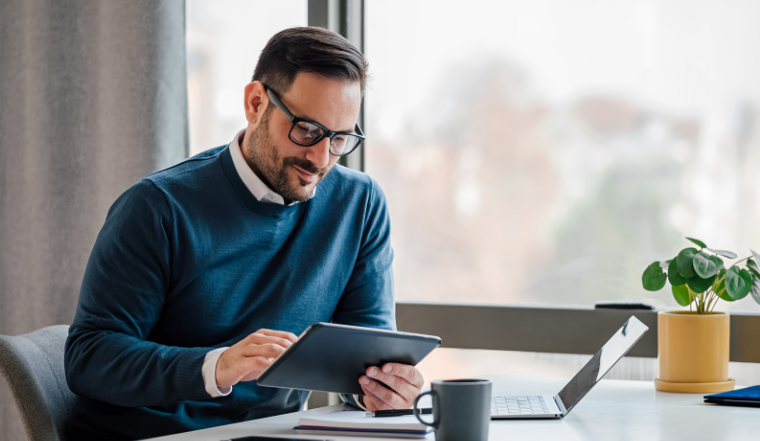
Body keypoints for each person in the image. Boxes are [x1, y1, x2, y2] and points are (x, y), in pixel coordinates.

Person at [64, 27, 424, 440]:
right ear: (256, 104)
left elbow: (368, 355)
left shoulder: (359, 206)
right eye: (307, 130)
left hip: (272, 433)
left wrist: (382, 390)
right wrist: (217, 366)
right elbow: (88, 358)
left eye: (340, 138)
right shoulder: (157, 207)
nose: (321, 158)